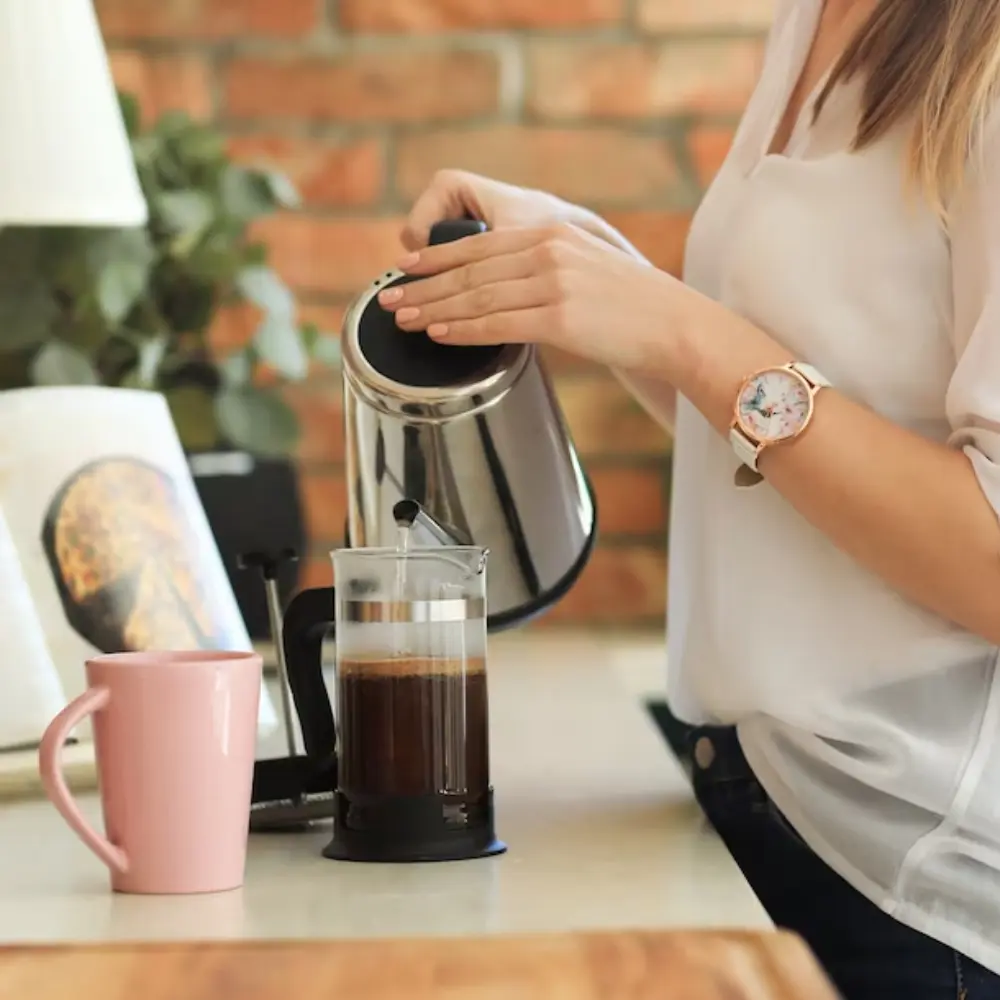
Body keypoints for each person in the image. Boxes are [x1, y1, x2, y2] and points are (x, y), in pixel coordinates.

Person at [383, 0, 1000, 997]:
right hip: (768, 794)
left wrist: (677, 328)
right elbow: (787, 444)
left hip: (911, 877)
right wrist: (586, 268)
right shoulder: (817, 19)